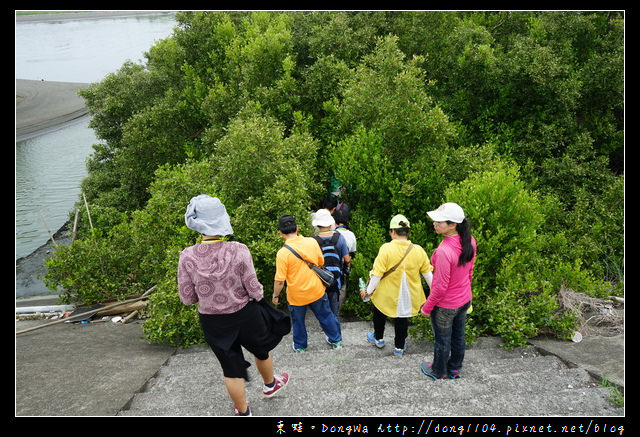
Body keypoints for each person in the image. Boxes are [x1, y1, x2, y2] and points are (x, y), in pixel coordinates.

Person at [178, 195, 289, 416]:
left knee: (231, 368)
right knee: (261, 349)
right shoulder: (239, 249)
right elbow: (254, 289)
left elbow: (187, 297)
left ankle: (244, 412)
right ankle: (270, 384)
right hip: (245, 313)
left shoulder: (187, 256)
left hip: (213, 321)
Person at [360, 214, 434, 356]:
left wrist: (368, 291)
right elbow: (428, 276)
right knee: (402, 319)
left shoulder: (386, 248)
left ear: (392, 232)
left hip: (386, 293)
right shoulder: (418, 250)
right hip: (408, 294)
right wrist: (435, 295)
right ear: (408, 232)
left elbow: (377, 274)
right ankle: (399, 348)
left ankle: (378, 339)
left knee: (379, 313)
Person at [419, 202, 477, 380]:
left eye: (439, 221)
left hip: (446, 306)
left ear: (453, 225)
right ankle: (454, 368)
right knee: (458, 336)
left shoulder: (444, 251)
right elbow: (470, 272)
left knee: (442, 340)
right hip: (464, 299)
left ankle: (439, 371)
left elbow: (440, 287)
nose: (435, 223)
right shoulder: (470, 241)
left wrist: (426, 308)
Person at [273, 214, 343, 352]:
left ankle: (300, 347)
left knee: (298, 322)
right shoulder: (312, 242)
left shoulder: (282, 253)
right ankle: (335, 341)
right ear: (297, 228)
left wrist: (275, 295)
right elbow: (320, 262)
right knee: (326, 316)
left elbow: (280, 281)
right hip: (316, 290)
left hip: (296, 295)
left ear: (280, 232)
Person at [311, 209, 351, 316]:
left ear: (317, 225)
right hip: (335, 278)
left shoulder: (313, 241)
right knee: (334, 304)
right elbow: (347, 259)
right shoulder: (339, 238)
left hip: (320, 279)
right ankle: (334, 324)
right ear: (330, 222)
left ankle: (325, 323)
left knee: (322, 306)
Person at [333, 209, 356, 310]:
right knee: (342, 288)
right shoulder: (351, 235)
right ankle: (340, 308)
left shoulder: (332, 234)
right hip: (344, 266)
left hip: (331, 265)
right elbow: (352, 254)